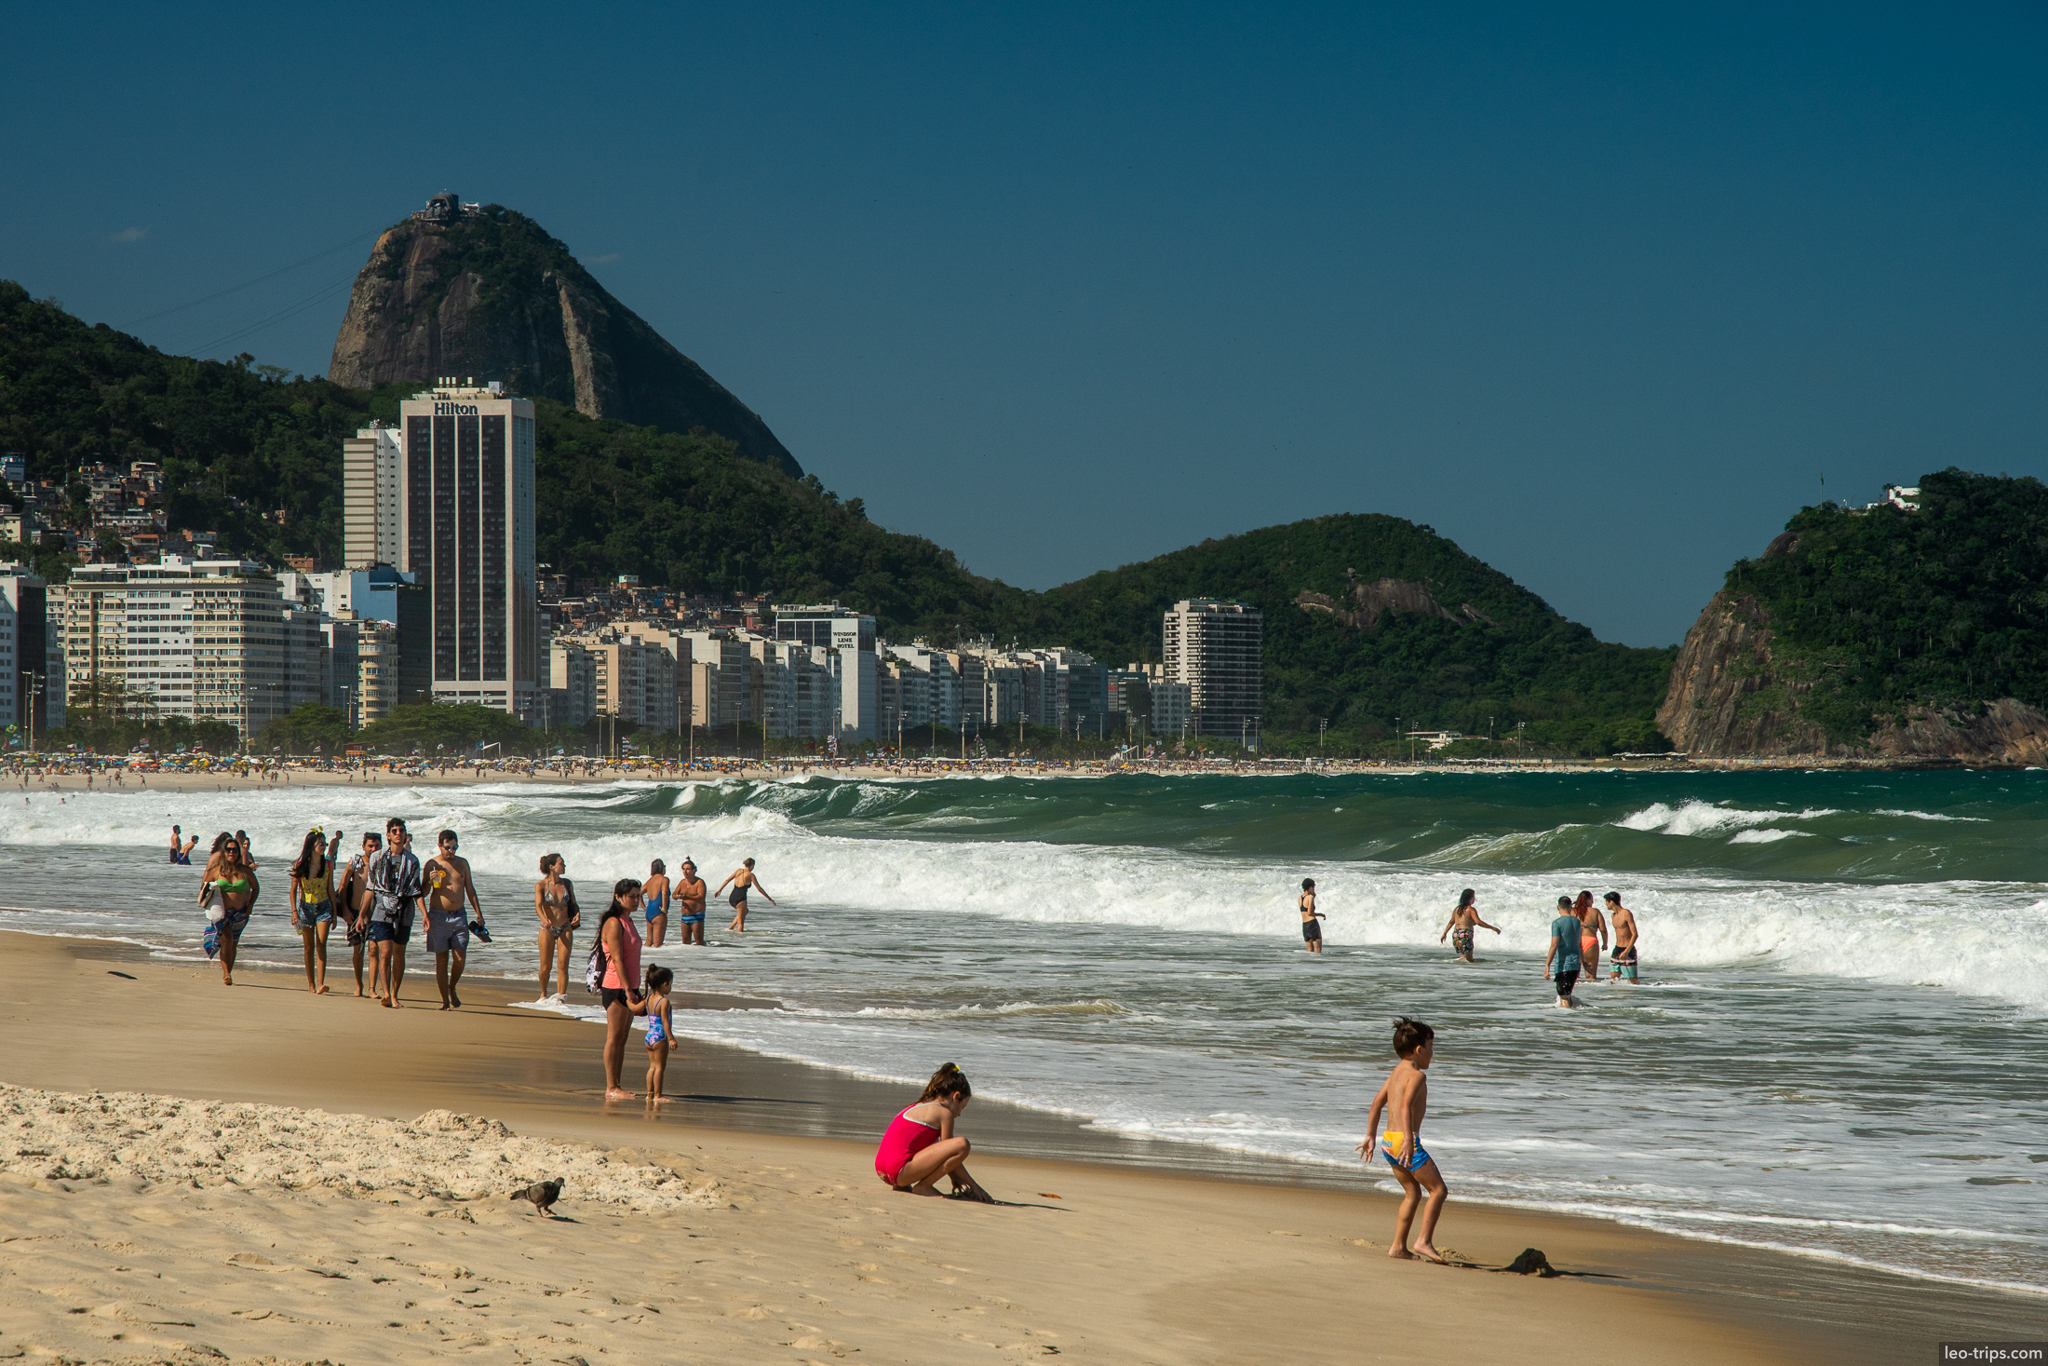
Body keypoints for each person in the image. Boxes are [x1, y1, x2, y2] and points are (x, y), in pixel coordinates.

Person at [1357, 1018, 1447, 1263]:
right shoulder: (1416, 1077)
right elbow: (1406, 1106)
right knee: (1438, 1190)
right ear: (1419, 1050)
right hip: (1405, 1142)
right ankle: (1423, 1241)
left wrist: (1370, 1136)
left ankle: (1398, 1247)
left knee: (1412, 1194)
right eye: (1431, 1047)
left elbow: (1376, 1103)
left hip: (1388, 1142)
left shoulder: (1396, 1072)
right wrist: (1410, 1140)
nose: (1432, 1053)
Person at [873, 1063, 991, 1200]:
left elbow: (940, 1154)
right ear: (955, 1096)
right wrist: (974, 1186)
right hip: (900, 1171)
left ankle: (903, 1185)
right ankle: (923, 1187)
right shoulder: (944, 1113)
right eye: (962, 1107)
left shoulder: (917, 1106)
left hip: (883, 1171)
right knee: (962, 1144)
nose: (959, 1114)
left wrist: (954, 1178)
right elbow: (953, 1152)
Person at [596, 879, 646, 1100]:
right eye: (632, 896)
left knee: (623, 1037)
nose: (636, 900)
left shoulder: (629, 920)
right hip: (616, 986)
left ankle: (617, 1084)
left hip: (630, 985)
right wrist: (627, 989)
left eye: (638, 896)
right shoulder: (614, 923)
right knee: (614, 1037)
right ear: (618, 897)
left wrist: (634, 987)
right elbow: (616, 959)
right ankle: (611, 1087)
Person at [423, 829, 482, 1010]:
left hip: (459, 916)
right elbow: (422, 892)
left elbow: (470, 889)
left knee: (460, 958)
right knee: (441, 960)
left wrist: (479, 913)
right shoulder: (432, 864)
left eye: (454, 847)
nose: (451, 851)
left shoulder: (462, 863)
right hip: (438, 916)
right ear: (440, 845)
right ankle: (445, 1001)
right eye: (448, 847)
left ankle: (452, 986)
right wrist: (429, 881)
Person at [366, 817, 422, 1008]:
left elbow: (416, 891)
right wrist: (362, 915)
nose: (399, 834)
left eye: (402, 831)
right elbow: (369, 888)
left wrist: (426, 915)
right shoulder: (377, 857)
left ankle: (395, 994)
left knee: (399, 953)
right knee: (385, 952)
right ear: (388, 834)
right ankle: (387, 994)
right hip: (381, 909)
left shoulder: (412, 861)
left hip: (404, 910)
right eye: (395, 831)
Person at [288, 826, 342, 995]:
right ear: (311, 845)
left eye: (325, 843)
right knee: (308, 947)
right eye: (320, 843)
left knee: (322, 942)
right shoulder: (300, 865)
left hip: (324, 906)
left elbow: (331, 889)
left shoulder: (327, 864)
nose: (324, 846)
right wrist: (294, 912)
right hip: (305, 908)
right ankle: (310, 984)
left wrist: (334, 913)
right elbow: (293, 890)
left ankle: (321, 983)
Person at [202, 831, 258, 987]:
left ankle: (229, 972)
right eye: (229, 849)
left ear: (238, 853)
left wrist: (250, 906)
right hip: (222, 913)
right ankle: (226, 974)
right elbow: (204, 887)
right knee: (226, 939)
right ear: (224, 852)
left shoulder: (245, 871)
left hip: (240, 912)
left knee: (233, 943)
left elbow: (256, 888)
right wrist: (210, 907)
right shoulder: (216, 870)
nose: (231, 852)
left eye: (234, 850)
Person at [333, 830, 383, 998]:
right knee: (358, 951)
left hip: (377, 913)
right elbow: (342, 886)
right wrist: (345, 910)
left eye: (377, 845)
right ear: (363, 846)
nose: (373, 848)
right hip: (354, 912)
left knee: (374, 950)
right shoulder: (356, 863)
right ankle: (358, 985)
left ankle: (372, 988)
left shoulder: (384, 864)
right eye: (370, 845)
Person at [534, 853, 580, 999]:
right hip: (547, 928)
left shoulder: (567, 883)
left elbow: (573, 903)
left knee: (563, 965)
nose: (564, 866)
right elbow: (538, 906)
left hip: (565, 926)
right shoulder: (541, 885)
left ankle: (561, 997)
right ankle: (543, 994)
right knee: (546, 967)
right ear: (552, 867)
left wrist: (577, 914)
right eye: (561, 863)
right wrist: (544, 919)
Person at [639, 964, 676, 1104]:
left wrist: (627, 1000)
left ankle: (649, 1094)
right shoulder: (664, 1001)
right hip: (660, 1037)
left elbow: (635, 1008)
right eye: (670, 984)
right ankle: (658, 1095)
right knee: (660, 1067)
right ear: (665, 984)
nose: (670, 987)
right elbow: (665, 1022)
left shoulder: (648, 999)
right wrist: (671, 1039)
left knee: (652, 1067)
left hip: (649, 1036)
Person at [1438, 888, 1500, 963]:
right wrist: (1492, 927)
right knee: (1467, 960)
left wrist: (1444, 933)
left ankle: (1460, 971)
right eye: (1474, 897)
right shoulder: (1471, 909)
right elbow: (1478, 922)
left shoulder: (1457, 909)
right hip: (1465, 934)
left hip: (1456, 934)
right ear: (1470, 898)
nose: (1474, 899)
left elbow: (1452, 922)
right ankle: (1462, 973)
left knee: (1465, 958)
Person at [1544, 895, 1583, 1008]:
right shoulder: (1577, 922)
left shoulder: (1557, 923)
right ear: (1571, 906)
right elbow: (1579, 944)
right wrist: (1583, 962)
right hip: (1575, 964)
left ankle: (1565, 1022)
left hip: (1563, 965)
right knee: (1568, 994)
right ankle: (1571, 1020)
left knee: (1563, 996)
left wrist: (1547, 965)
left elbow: (1554, 945)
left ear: (1558, 907)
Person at [717, 857, 775, 932]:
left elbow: (727, 880)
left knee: (745, 911)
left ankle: (730, 928)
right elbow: (759, 889)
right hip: (741, 899)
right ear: (752, 865)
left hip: (732, 898)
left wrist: (719, 890)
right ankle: (739, 941)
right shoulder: (751, 875)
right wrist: (769, 898)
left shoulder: (738, 871)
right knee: (741, 924)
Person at [1573, 890, 1608, 983]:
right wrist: (1605, 944)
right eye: (1592, 899)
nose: (1592, 902)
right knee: (1591, 976)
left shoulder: (1572, 911)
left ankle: (1574, 995)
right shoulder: (1595, 912)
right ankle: (1590, 995)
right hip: (1590, 942)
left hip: (1576, 942)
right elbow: (1603, 930)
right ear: (1587, 900)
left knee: (1574, 976)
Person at [1606, 892, 1640, 982]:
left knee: (1633, 980)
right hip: (1617, 948)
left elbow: (1635, 934)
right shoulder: (1613, 915)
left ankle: (1633, 996)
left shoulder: (1626, 913)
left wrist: (1627, 951)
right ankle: (1616, 996)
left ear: (1612, 902)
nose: (1606, 904)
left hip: (1628, 949)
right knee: (1613, 979)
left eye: (1607, 902)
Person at [674, 858, 708, 946]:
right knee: (685, 943)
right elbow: (674, 895)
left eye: (688, 869)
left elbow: (701, 897)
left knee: (699, 942)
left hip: (696, 915)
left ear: (694, 870)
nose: (685, 871)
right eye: (684, 869)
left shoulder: (699, 882)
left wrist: (687, 896)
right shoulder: (682, 882)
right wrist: (677, 896)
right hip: (685, 916)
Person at [643, 859, 672, 948]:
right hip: (658, 912)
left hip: (649, 911)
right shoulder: (664, 879)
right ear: (662, 868)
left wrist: (643, 906)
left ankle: (643, 957)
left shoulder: (649, 881)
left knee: (648, 941)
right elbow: (664, 893)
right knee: (657, 944)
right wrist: (664, 908)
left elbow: (638, 893)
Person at [1298, 877, 1326, 953]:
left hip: (1305, 926)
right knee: (1317, 950)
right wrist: (1321, 914)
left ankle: (1309, 964)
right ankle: (1318, 965)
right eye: (1313, 887)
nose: (1314, 889)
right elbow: (1310, 912)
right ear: (1310, 887)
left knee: (1309, 950)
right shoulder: (1310, 897)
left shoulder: (1300, 898)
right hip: (1312, 924)